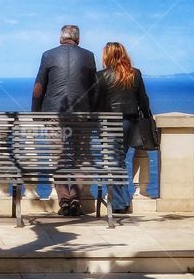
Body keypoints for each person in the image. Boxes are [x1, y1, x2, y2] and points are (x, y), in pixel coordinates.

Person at [32, 24, 97, 216]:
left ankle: (64, 201)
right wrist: (92, 113)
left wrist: (36, 113)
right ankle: (75, 198)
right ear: (78, 39)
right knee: (80, 158)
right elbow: (94, 88)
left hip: (54, 114)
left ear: (61, 38)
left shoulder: (48, 55)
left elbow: (38, 87)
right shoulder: (88, 56)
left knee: (58, 157)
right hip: (81, 115)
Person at [94, 41, 152, 214]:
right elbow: (143, 100)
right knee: (118, 161)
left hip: (109, 123)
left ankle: (119, 203)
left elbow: (95, 103)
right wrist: (148, 118)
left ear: (107, 56)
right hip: (130, 123)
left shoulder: (101, 76)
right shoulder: (135, 74)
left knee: (112, 162)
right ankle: (123, 201)